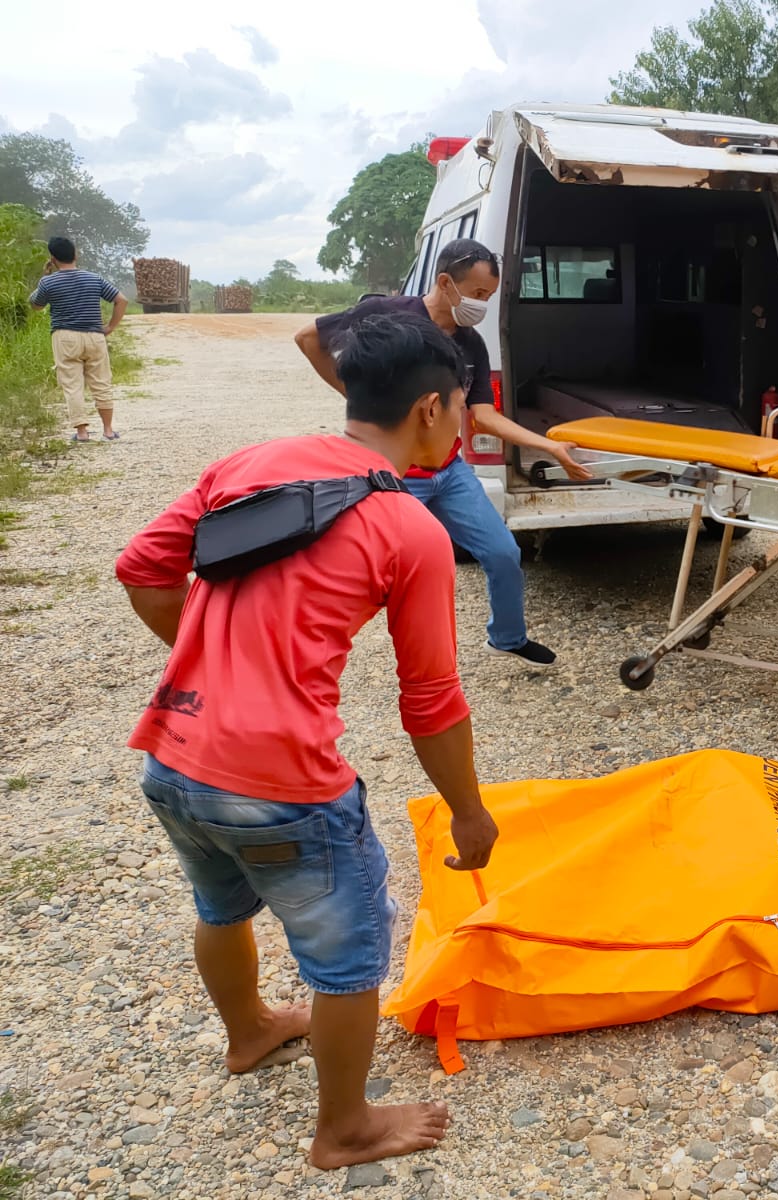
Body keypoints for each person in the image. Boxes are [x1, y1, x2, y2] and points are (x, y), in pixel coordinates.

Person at [115, 313, 500, 1169]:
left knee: (220, 905)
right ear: (432, 409)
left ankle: (249, 1032)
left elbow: (142, 566)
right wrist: (468, 813)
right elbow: (432, 699)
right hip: (280, 785)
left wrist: (215, 667)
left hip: (172, 758)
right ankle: (345, 1127)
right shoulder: (411, 530)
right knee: (351, 943)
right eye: (463, 408)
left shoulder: (251, 462)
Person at [296, 238, 592, 664]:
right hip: (394, 476)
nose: (482, 305)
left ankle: (507, 637)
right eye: (476, 294)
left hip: (449, 472)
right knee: (369, 572)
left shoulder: (470, 343)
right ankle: (310, 650)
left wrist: (548, 445)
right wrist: (355, 394)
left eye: (488, 297)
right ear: (444, 282)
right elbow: (308, 338)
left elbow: (484, 416)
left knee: (504, 552)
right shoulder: (389, 314)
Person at [28, 235, 127, 443]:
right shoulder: (94, 278)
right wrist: (109, 327)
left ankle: (82, 433)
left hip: (65, 337)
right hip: (94, 336)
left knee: (72, 385)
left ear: (53, 258)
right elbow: (121, 300)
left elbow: (36, 305)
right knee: (101, 382)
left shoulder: (48, 282)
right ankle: (108, 430)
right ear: (76, 254)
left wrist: (46, 276)